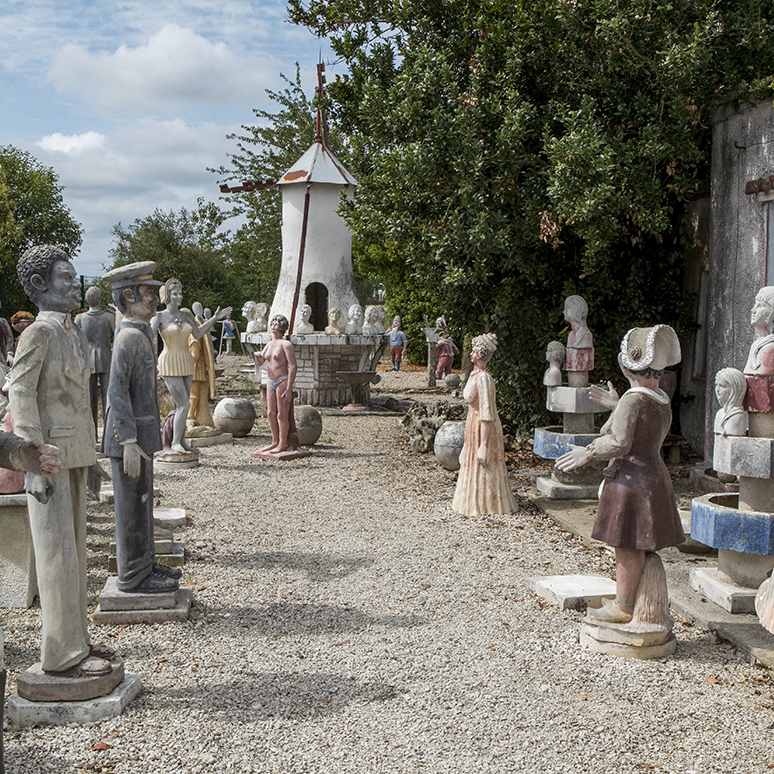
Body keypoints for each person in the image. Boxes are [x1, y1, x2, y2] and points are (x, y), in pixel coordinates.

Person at [8, 244, 110, 678]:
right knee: (54, 556)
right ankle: (59, 655)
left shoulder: (76, 332)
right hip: (46, 461)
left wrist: (90, 458)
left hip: (74, 455)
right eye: (65, 278)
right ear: (38, 286)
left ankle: (77, 642)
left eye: (74, 277)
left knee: (75, 556)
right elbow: (20, 391)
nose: (75, 285)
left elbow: (79, 402)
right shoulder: (38, 333)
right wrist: (30, 455)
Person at [556, 324, 684, 624]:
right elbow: (644, 426)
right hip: (654, 475)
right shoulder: (661, 398)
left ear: (629, 364)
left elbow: (620, 442)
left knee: (626, 544)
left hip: (630, 480)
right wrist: (617, 405)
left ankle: (624, 606)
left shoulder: (633, 399)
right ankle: (631, 600)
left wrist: (586, 452)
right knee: (635, 542)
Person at [103, 262, 181, 593]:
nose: (154, 299)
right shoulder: (128, 338)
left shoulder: (140, 333)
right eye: (148, 293)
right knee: (131, 509)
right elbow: (116, 392)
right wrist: (129, 441)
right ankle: (132, 575)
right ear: (129, 296)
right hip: (129, 439)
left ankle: (145, 564)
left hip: (141, 435)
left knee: (143, 502)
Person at [150, 279, 231, 454]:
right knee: (184, 404)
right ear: (167, 296)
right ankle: (174, 443)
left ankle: (182, 440)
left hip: (187, 361)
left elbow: (198, 333)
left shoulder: (186, 316)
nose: (179, 297)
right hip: (169, 361)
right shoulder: (159, 316)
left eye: (180, 293)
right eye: (175, 294)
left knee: (183, 405)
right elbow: (148, 336)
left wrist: (214, 319)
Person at [452, 333, 518, 516]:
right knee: (472, 462)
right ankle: (472, 502)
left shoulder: (484, 379)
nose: (471, 352)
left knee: (485, 462)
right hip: (473, 423)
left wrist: (483, 445)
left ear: (480, 353)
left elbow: (487, 414)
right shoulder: (475, 375)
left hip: (484, 426)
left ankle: (488, 504)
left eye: (474, 350)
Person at [252, 314, 301, 455]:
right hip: (270, 381)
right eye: (272, 323)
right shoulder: (269, 344)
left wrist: (289, 387)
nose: (273, 325)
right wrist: (257, 356)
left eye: (276, 323)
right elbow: (262, 362)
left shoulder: (286, 344)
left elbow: (293, 366)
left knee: (282, 415)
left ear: (281, 327)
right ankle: (274, 441)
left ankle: (283, 443)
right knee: (270, 413)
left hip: (282, 380)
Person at [75, 286, 115, 439]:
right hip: (105, 357)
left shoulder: (79, 319)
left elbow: (75, 342)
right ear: (100, 299)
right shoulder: (108, 317)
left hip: (87, 360)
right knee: (107, 397)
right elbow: (117, 337)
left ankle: (92, 436)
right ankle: (108, 435)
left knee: (90, 398)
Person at [188, 301, 217, 432]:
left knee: (194, 393)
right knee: (192, 393)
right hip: (195, 367)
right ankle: (190, 417)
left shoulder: (192, 333)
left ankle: (190, 417)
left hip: (196, 367)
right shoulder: (192, 330)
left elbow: (194, 353)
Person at [744, 286, 774, 374]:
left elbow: (758, 383)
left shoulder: (770, 347)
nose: (753, 310)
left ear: (772, 313)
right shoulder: (757, 344)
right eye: (755, 304)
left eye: (760, 305)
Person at [714, 367, 748, 437]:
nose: (717, 390)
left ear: (734, 389)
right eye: (716, 385)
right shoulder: (719, 414)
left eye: (722, 386)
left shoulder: (737, 416)